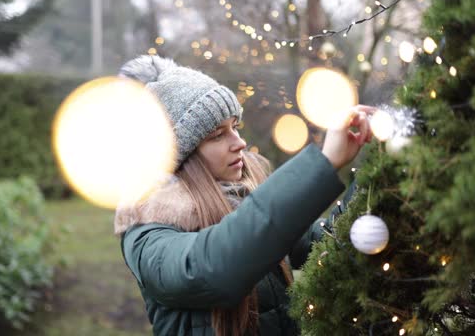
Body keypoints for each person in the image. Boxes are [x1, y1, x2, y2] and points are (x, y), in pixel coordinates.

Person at [114, 55, 374, 335]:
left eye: (234, 127)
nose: (240, 143)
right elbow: (215, 269)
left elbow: (321, 243)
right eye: (217, 135)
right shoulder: (146, 229)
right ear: (181, 154)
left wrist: (373, 179)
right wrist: (324, 162)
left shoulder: (241, 198)